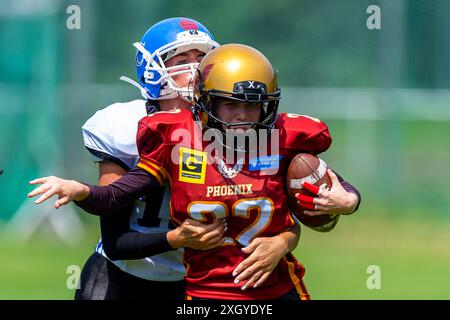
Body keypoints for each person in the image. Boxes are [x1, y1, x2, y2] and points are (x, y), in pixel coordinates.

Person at [29, 44, 361, 299]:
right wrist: (80, 190)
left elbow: (336, 190)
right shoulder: (176, 139)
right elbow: (116, 197)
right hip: (199, 292)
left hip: (275, 288)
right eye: (230, 104)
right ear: (206, 101)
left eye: (251, 105)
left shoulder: (281, 139)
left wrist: (346, 203)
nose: (241, 116)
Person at [71, 18, 302, 300]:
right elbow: (115, 240)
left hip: (198, 283)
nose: (194, 70)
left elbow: (276, 218)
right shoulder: (125, 126)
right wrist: (175, 239)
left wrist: (284, 240)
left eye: (201, 58)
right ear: (153, 69)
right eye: (181, 59)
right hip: (123, 277)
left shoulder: (236, 128)